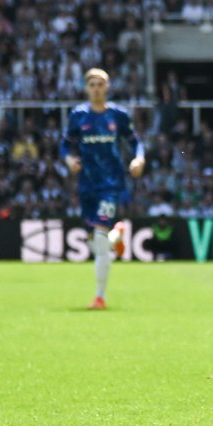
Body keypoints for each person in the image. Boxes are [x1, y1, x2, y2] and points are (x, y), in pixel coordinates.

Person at [60, 68, 145, 310]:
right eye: (92, 85)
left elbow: (135, 141)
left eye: (100, 84)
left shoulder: (118, 115)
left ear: (107, 87)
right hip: (87, 184)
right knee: (94, 241)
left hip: (110, 184)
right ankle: (117, 236)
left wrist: (138, 159)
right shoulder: (78, 116)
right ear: (87, 88)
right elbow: (65, 145)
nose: (96, 88)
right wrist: (68, 160)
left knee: (98, 237)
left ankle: (100, 297)